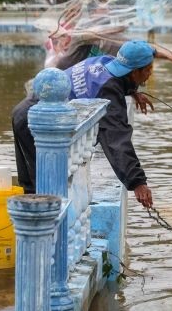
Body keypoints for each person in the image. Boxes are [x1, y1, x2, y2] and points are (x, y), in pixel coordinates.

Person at [12, 40, 160, 208]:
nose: (149, 74)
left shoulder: (104, 62)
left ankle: (31, 222)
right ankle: (44, 228)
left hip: (24, 111)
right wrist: (137, 182)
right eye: (148, 70)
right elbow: (116, 139)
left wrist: (132, 91)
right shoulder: (109, 90)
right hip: (38, 122)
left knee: (32, 186)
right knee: (45, 189)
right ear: (134, 72)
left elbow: (108, 81)